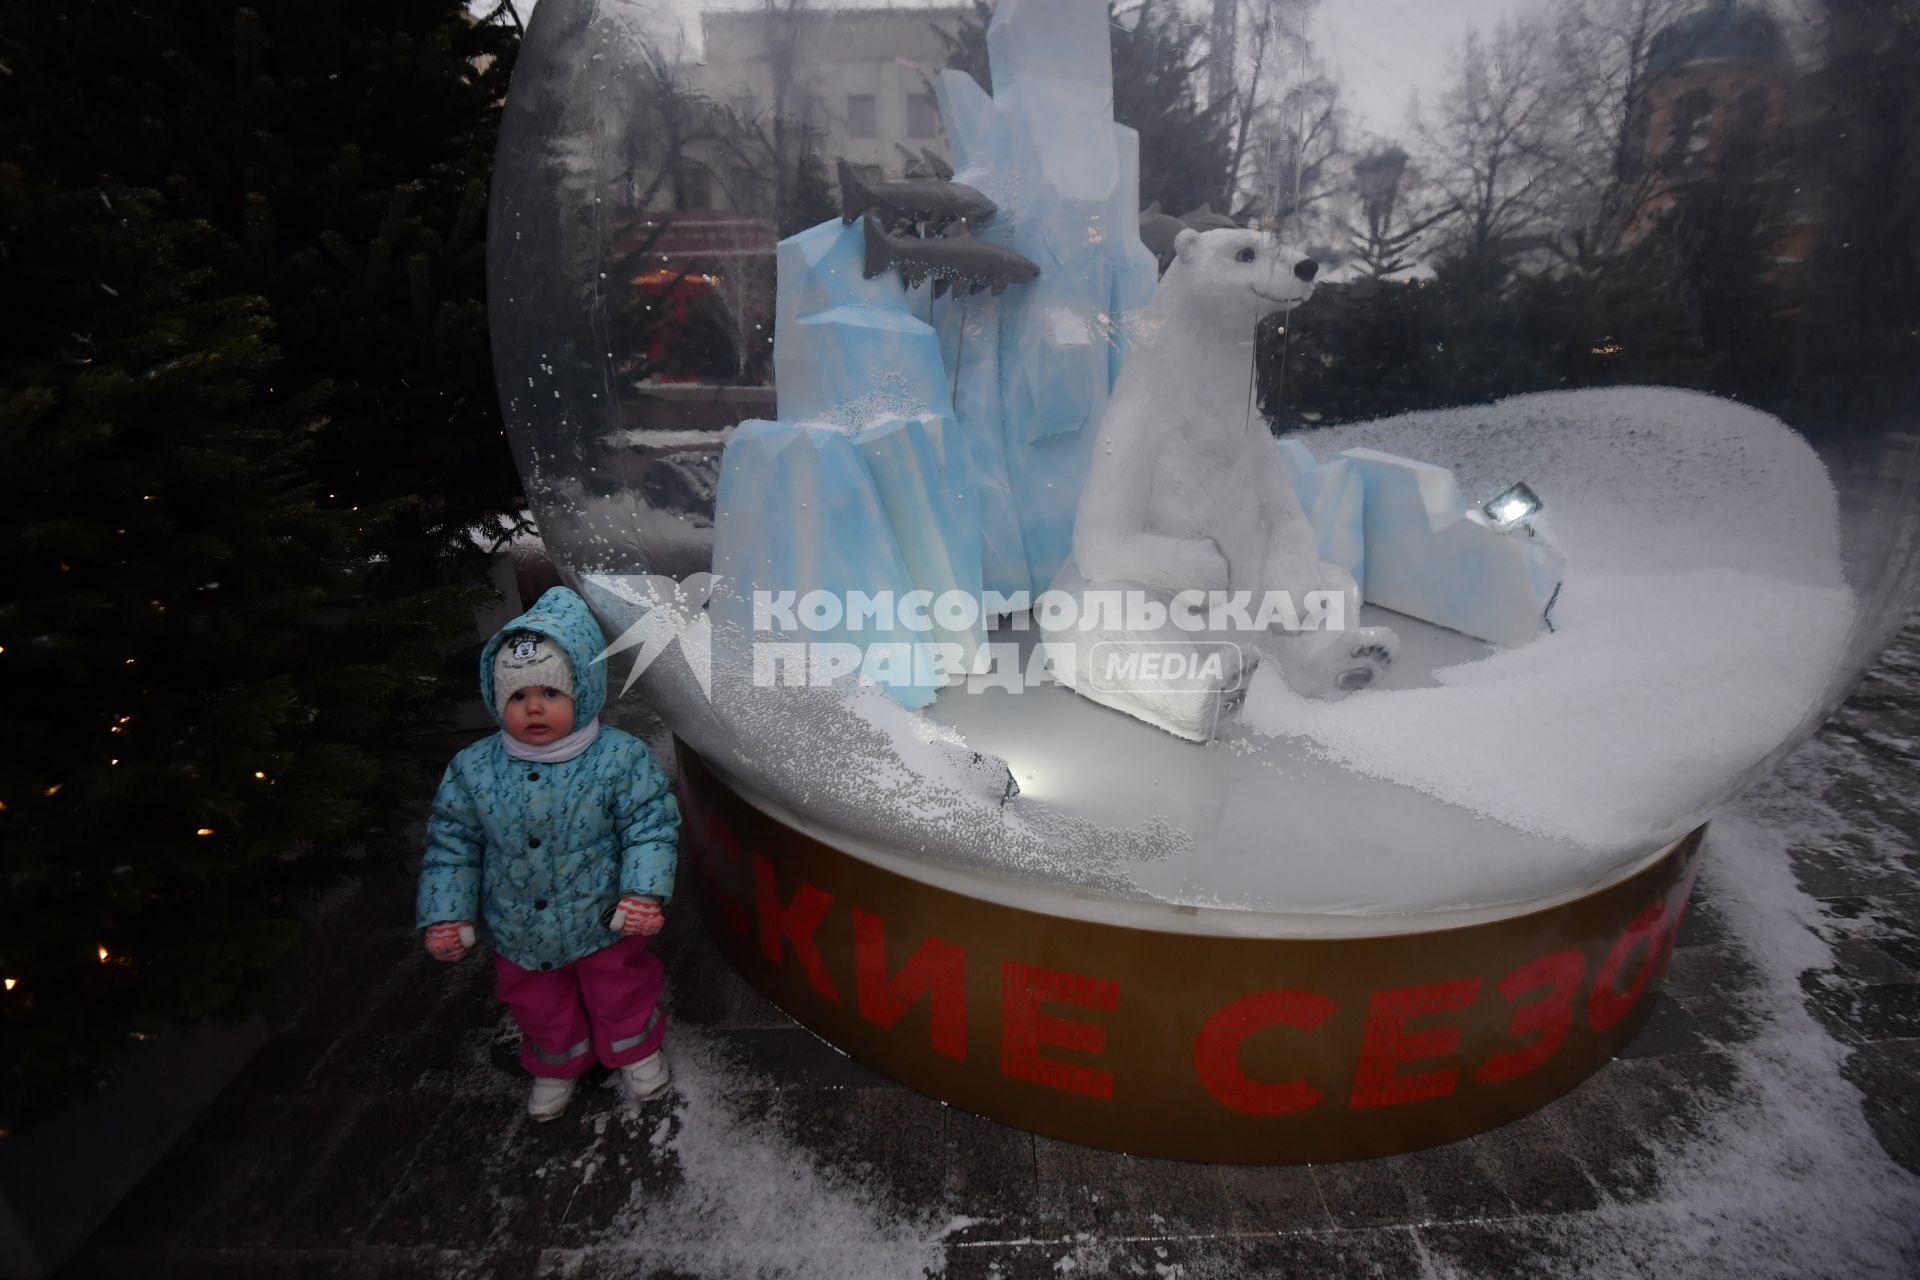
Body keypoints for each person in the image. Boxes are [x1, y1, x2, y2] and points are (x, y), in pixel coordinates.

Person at [417, 586, 681, 1121]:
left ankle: (633, 1047)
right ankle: (557, 1061)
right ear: (496, 700)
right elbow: (453, 845)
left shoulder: (617, 759)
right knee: (539, 1002)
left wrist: (643, 891)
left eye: (551, 693)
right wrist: (447, 912)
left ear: (582, 691)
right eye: (517, 697)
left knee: (620, 987)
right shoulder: (475, 768)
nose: (534, 707)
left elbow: (650, 826)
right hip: (520, 927)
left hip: (604, 916)